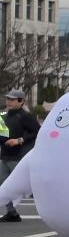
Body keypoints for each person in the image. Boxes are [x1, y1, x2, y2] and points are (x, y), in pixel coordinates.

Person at [0, 89, 39, 221]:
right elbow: (2, 134)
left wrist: (19, 140)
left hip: (19, 157)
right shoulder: (3, 114)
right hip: (4, 156)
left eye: (12, 99)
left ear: (21, 101)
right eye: (8, 99)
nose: (9, 102)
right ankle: (12, 213)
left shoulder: (26, 116)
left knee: (30, 185)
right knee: (4, 185)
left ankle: (53, 208)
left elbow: (37, 132)